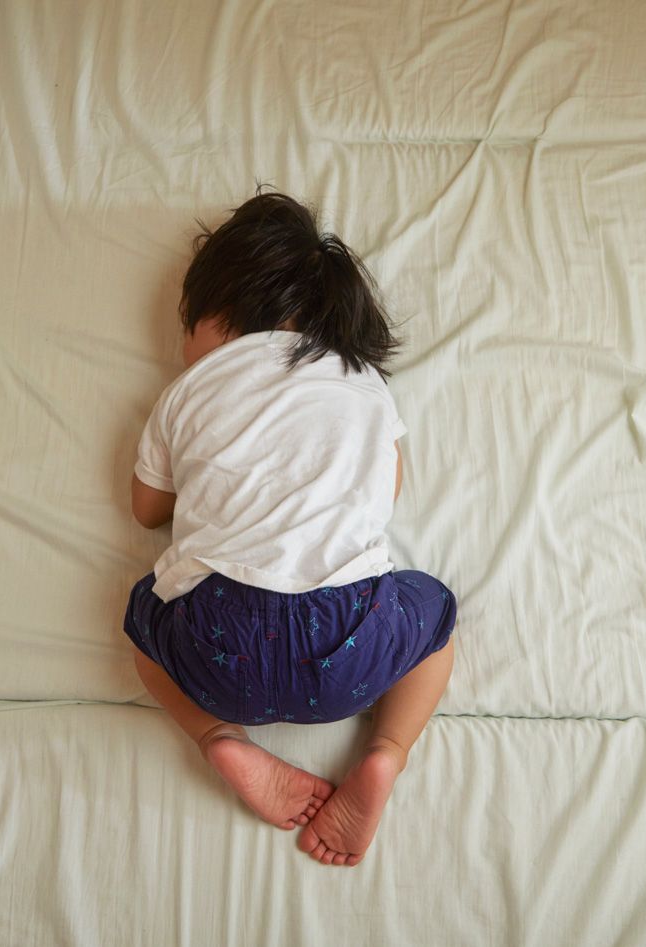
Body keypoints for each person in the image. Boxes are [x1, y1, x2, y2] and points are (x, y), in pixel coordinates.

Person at [123, 189, 456, 867]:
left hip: (219, 649)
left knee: (142, 625)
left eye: (188, 323)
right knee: (435, 619)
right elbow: (387, 492)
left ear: (222, 312)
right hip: (350, 648)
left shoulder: (185, 393)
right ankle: (386, 752)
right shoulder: (364, 383)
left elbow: (146, 510)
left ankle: (219, 737)